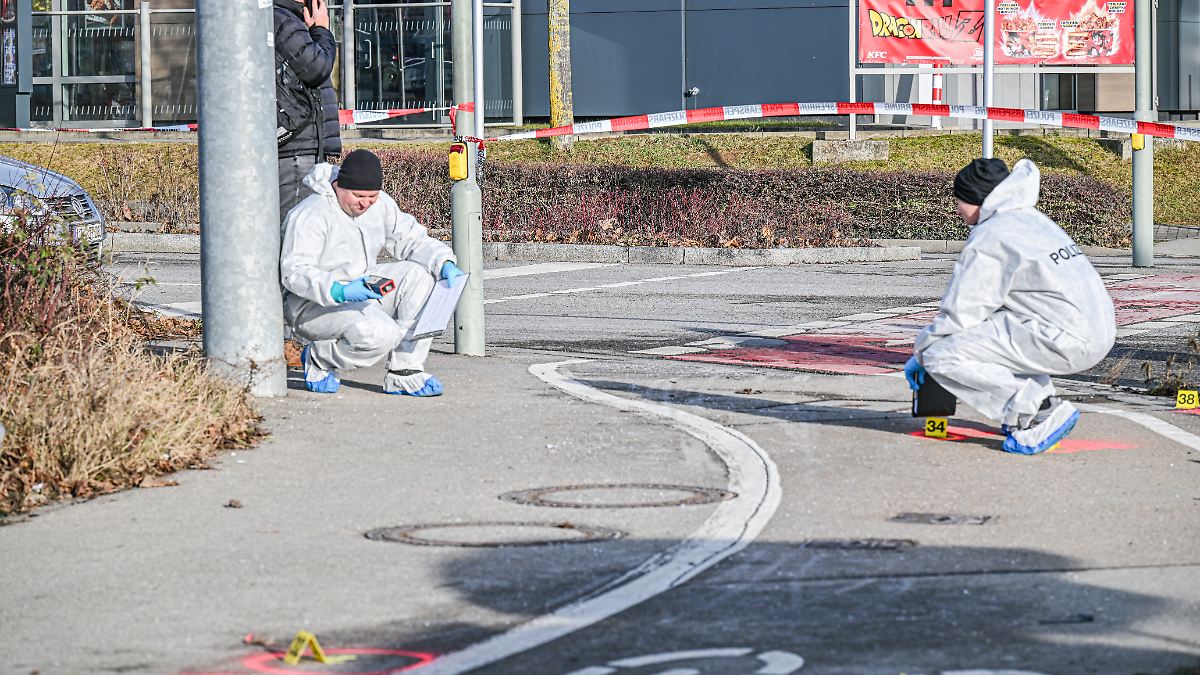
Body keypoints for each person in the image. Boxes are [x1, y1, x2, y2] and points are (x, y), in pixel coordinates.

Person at [903, 158, 1116, 455]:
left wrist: (923, 351)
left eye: (959, 201)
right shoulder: (1030, 219)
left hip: (1066, 337)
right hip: (1094, 329)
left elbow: (963, 310)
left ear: (979, 199)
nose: (957, 210)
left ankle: (1040, 409)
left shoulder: (992, 237)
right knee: (992, 335)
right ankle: (1034, 406)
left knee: (942, 355)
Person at [280, 149, 465, 396]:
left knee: (420, 277)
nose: (365, 203)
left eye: (372, 196)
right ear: (338, 186)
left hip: (361, 288)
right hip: (310, 304)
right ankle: (318, 359)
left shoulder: (380, 205)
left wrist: (443, 261)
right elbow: (294, 272)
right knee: (380, 334)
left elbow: (411, 239)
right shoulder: (310, 214)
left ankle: (405, 371)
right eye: (358, 195)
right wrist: (339, 290)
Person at [274, 0, 343, 223]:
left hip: (301, 145)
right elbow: (317, 67)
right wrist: (321, 30)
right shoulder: (283, 20)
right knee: (296, 234)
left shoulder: (289, 20)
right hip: (297, 149)